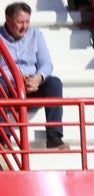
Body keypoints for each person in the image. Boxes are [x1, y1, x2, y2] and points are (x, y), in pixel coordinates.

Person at [2, 2, 64, 149]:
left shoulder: (36, 34)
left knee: (54, 83)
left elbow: (47, 63)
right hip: (7, 86)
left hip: (31, 86)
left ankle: (54, 136)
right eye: (20, 22)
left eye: (27, 22)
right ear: (8, 20)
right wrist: (16, 78)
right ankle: (2, 137)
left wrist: (38, 77)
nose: (24, 27)